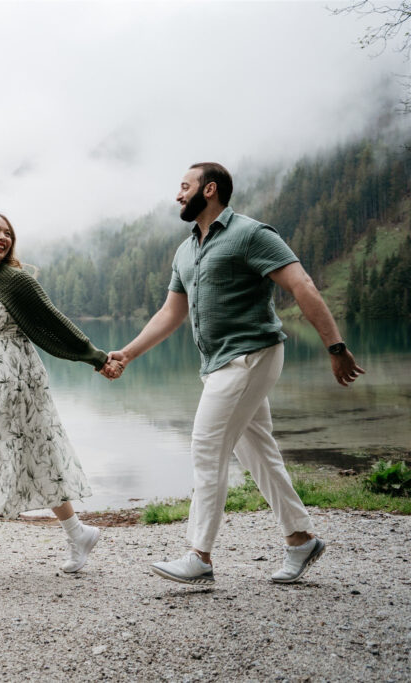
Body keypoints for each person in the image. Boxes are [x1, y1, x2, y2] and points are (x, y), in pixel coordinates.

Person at [109, 162, 365, 585]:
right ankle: (301, 539)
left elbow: (302, 286)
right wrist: (129, 353)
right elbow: (172, 311)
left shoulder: (251, 234)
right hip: (217, 365)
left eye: (184, 186)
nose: (177, 195)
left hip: (251, 355)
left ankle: (199, 555)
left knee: (206, 449)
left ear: (209, 190)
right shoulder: (186, 249)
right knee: (258, 453)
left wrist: (335, 347)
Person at [0, 212, 123, 573]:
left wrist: (96, 358)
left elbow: (54, 323)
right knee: (38, 453)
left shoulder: (16, 281)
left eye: (8, 232)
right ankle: (78, 533)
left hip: (14, 376)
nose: (3, 237)